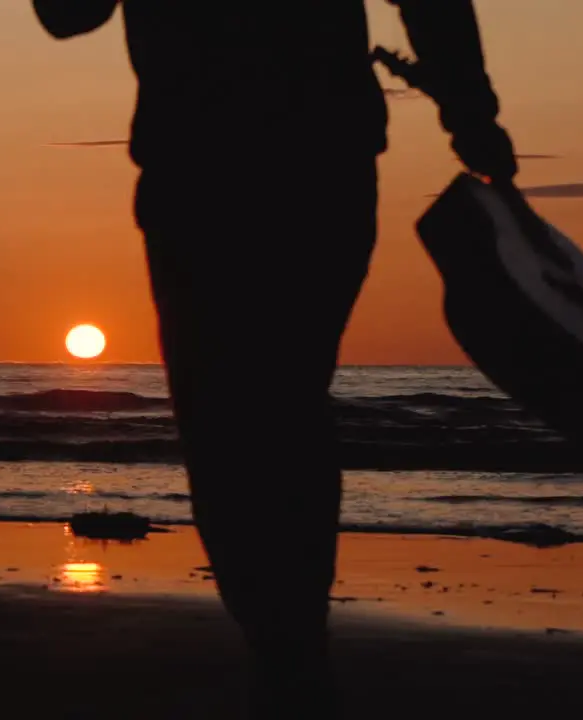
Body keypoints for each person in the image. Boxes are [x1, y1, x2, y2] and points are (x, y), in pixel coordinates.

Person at [31, 1, 518, 715]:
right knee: (285, 407)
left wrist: (472, 110)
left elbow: (66, 15)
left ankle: (285, 654)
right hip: (316, 158)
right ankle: (291, 654)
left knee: (230, 419)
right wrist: (471, 111)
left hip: (206, 171)